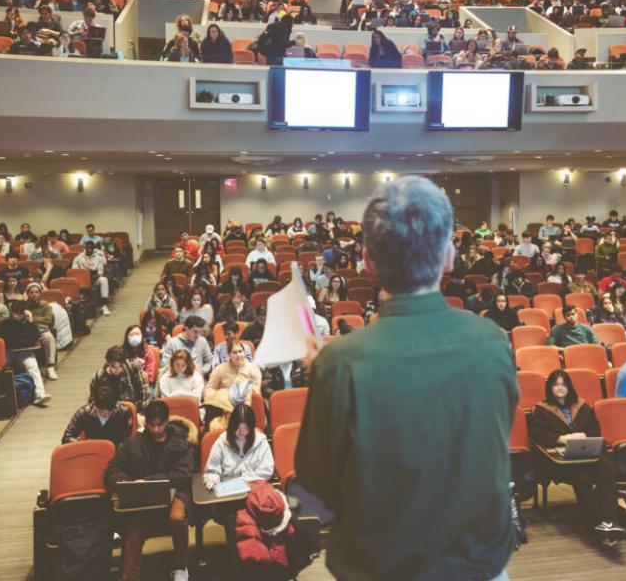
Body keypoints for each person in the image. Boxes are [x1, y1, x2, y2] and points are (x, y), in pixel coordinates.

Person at [297, 176, 518, 579]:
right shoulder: (493, 342)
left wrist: (324, 377)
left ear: (367, 260)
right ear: (449, 256)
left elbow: (320, 486)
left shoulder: (339, 364)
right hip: (479, 567)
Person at [529, 370, 626, 547]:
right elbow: (538, 435)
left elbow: (595, 430)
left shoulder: (582, 406)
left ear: (569, 387)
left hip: (588, 454)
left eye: (563, 384)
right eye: (556, 384)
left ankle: (609, 521)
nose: (560, 388)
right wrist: (561, 438)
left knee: (607, 472)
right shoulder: (542, 409)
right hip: (562, 461)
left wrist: (583, 435)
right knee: (581, 478)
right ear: (550, 387)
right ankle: (598, 524)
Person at [105, 400, 194, 581]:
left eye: (160, 425)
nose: (155, 429)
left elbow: (182, 474)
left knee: (177, 518)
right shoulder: (132, 443)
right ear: (145, 423)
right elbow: (111, 471)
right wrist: (130, 484)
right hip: (142, 496)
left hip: (174, 491)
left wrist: (147, 481)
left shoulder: (181, 443)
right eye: (151, 425)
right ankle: (130, 577)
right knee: (133, 528)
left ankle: (180, 566)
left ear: (167, 422)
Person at [0, 300, 51, 405]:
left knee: (33, 366)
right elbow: (1, 339)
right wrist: (21, 340)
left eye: (20, 313)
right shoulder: (3, 324)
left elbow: (35, 338)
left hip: (24, 352)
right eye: (16, 313)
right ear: (11, 312)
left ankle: (40, 395)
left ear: (24, 312)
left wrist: (30, 321)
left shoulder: (29, 324)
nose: (18, 316)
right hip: (7, 352)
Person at [203, 403, 273, 487]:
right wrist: (213, 479)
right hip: (229, 488)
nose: (241, 432)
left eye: (246, 428)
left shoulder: (261, 441)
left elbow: (266, 471)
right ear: (232, 426)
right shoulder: (221, 442)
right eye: (238, 428)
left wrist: (243, 480)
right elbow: (211, 471)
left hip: (255, 486)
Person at [204, 338, 262, 430]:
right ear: (229, 355)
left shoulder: (253, 368)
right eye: (234, 352)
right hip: (224, 406)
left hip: (245, 405)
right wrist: (218, 396)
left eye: (240, 351)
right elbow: (209, 388)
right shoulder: (220, 369)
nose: (238, 355)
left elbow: (256, 390)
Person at [62, 375, 133, 445]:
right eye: (101, 412)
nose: (105, 415)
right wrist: (83, 445)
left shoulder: (124, 413)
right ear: (95, 405)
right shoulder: (83, 413)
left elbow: (127, 441)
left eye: (109, 412)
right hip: (91, 449)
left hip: (116, 450)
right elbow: (67, 437)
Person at [90, 346, 150, 415]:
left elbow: (143, 391)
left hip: (133, 410)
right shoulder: (98, 376)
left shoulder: (132, 366)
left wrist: (139, 411)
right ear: (107, 363)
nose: (117, 370)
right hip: (108, 413)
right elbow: (93, 400)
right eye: (113, 367)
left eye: (121, 366)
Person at [25, 282, 59, 380]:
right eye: (31, 292)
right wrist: (40, 319)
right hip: (27, 331)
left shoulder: (45, 305)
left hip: (42, 330)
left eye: (36, 292)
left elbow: (48, 320)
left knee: (49, 337)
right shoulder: (24, 306)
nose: (34, 294)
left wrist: (32, 318)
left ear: (40, 293)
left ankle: (50, 367)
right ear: (27, 294)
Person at [72, 241, 111, 315]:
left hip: (94, 277)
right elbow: (74, 270)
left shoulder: (98, 258)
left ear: (94, 249)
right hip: (82, 278)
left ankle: (104, 305)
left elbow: (100, 271)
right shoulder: (78, 257)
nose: (89, 250)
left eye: (91, 248)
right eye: (88, 248)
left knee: (104, 280)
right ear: (85, 248)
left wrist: (97, 275)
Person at [123, 324, 159, 388]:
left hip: (145, 384)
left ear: (142, 336)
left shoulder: (149, 352)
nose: (134, 337)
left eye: (137, 334)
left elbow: (150, 375)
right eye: (131, 335)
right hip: (126, 384)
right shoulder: (121, 352)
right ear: (127, 337)